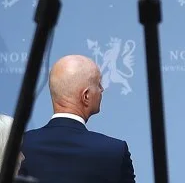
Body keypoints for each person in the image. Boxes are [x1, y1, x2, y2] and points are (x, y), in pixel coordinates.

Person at [16, 54, 137, 183]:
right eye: (98, 84)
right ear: (86, 96)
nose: (102, 89)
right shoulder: (115, 151)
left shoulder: (19, 145)